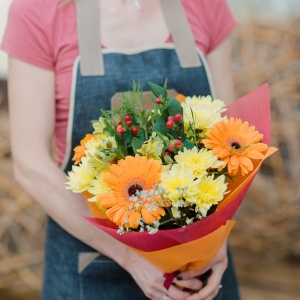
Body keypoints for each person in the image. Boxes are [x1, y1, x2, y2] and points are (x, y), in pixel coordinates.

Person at [1, 0, 240, 299]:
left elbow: (233, 143)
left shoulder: (204, 4)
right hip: (90, 266)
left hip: (198, 270)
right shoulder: (39, 11)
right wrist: (132, 255)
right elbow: (30, 165)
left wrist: (215, 242)